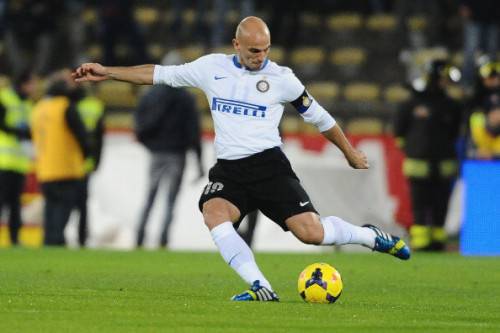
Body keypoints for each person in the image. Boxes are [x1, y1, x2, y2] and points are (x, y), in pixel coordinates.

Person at [73, 16, 410, 302]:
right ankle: (260, 285)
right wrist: (108, 71)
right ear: (236, 44)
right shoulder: (211, 68)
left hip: (269, 167)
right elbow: (158, 73)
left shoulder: (282, 78)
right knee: (214, 213)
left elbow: (321, 118)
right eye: (252, 51)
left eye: (264, 50)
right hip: (231, 170)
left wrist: (350, 153)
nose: (260, 57)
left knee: (312, 234)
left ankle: (369, 237)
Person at [134, 53, 204, 249]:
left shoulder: (150, 94)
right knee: (170, 200)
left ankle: (139, 237)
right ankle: (163, 240)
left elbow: (139, 123)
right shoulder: (186, 98)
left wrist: (149, 144)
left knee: (150, 196)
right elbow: (193, 131)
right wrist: (198, 161)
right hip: (177, 154)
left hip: (156, 153)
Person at [394, 60, 463, 252]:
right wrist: (413, 151)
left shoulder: (452, 106)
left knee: (441, 202)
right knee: (420, 203)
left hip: (444, 163)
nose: (446, 83)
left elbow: (455, 133)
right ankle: (421, 241)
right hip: (418, 163)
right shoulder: (411, 104)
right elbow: (399, 132)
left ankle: (438, 240)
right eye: (443, 78)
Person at [31, 69, 90, 246]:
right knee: (63, 210)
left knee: (50, 209)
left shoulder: (39, 107)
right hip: (66, 168)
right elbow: (82, 136)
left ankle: (48, 242)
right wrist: (87, 154)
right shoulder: (65, 106)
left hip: (44, 169)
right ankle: (56, 242)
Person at [0, 71, 37, 245]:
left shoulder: (29, 104)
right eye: (32, 84)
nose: (34, 87)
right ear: (23, 84)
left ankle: (15, 239)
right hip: (3, 161)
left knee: (15, 205)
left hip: (20, 163)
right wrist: (20, 132)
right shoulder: (4, 98)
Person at [75, 86, 105, 247]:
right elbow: (99, 137)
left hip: (69, 162)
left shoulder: (67, 103)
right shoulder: (95, 105)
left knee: (66, 203)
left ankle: (55, 237)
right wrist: (97, 160)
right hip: (85, 163)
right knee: (82, 204)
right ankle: (81, 238)